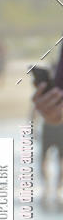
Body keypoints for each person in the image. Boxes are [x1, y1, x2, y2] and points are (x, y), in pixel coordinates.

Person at [33, 42, 63, 201]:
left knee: (58, 159)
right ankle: (49, 187)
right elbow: (36, 109)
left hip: (56, 128)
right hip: (50, 126)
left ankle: (56, 187)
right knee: (48, 158)